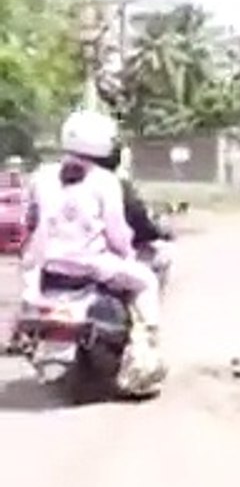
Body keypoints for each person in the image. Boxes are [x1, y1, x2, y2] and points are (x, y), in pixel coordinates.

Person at [20, 109, 165, 383]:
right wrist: (128, 254)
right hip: (91, 267)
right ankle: (145, 349)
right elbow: (117, 233)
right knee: (147, 281)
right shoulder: (105, 181)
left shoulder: (42, 176)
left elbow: (31, 220)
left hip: (48, 269)